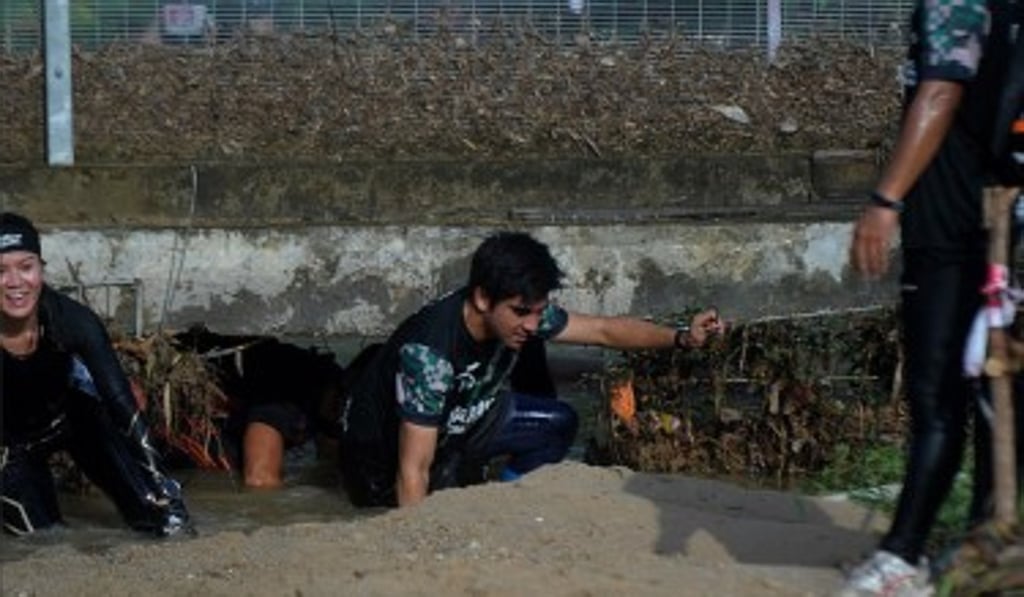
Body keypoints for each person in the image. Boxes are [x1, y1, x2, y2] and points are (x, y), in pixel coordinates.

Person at [338, 231, 723, 508]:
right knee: (417, 497)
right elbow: (412, 469)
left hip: (460, 422)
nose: (533, 326)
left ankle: (509, 504)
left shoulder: (523, 312)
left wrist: (681, 339)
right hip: (383, 463)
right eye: (522, 313)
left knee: (555, 425)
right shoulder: (431, 355)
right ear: (483, 299)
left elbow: (604, 330)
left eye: (539, 313)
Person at [842, 1, 1022, 594]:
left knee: (937, 396)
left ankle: (903, 556)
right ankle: (983, 544)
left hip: (949, 224)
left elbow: (940, 93)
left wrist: (886, 199)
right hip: (996, 216)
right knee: (992, 390)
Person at [0, 212, 191, 536]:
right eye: (0, 271)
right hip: (11, 451)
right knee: (46, 542)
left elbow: (123, 406)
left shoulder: (73, 321)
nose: (16, 282)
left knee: (163, 520)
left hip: (74, 423)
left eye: (26, 267)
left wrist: (164, 489)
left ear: (41, 270)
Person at [173, 326, 347, 489]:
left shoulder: (327, 397)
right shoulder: (286, 393)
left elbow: (329, 461)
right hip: (188, 469)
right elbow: (259, 480)